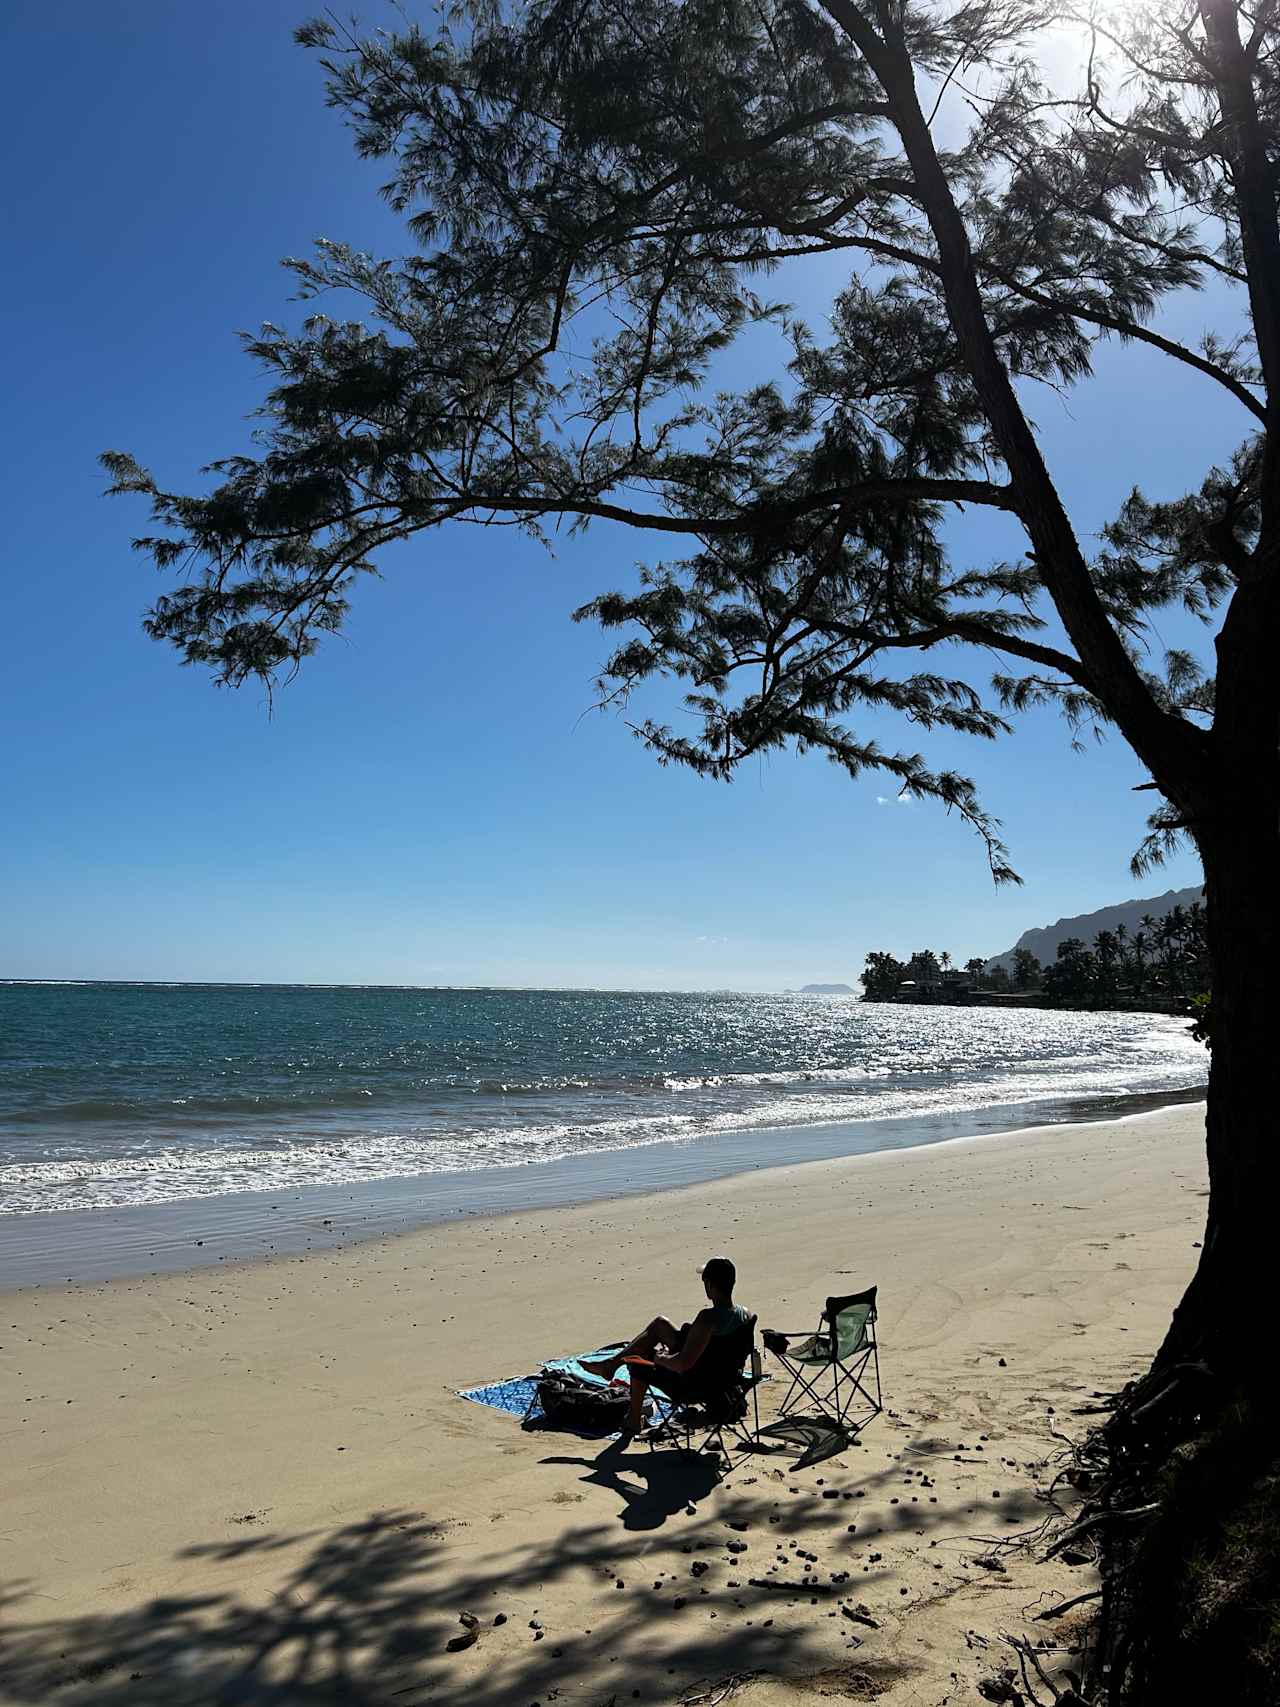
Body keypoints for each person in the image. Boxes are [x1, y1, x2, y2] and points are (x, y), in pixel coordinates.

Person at [582, 1256, 750, 1437]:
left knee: (639, 1361)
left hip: (697, 1385)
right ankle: (611, 1365)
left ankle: (633, 1420)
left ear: (709, 1285)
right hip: (724, 1379)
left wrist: (657, 1357)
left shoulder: (707, 1319)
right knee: (660, 1324)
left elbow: (683, 1364)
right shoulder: (745, 1315)